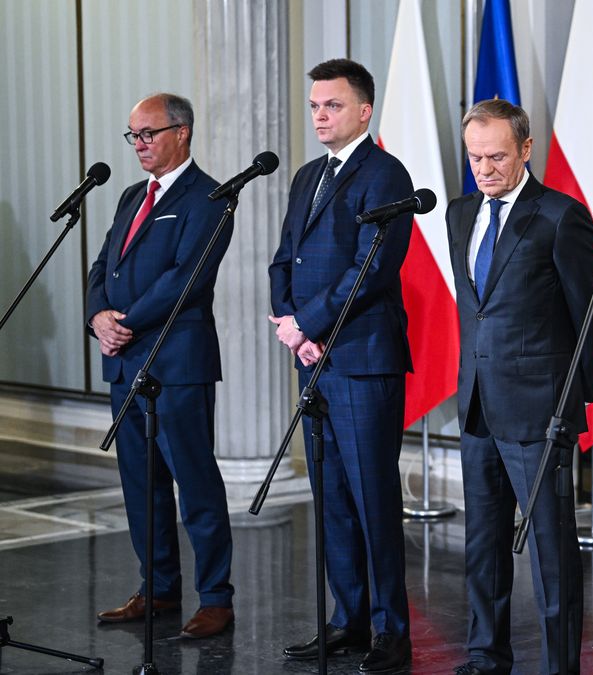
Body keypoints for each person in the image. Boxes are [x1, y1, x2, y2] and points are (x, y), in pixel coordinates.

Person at [446, 99, 593, 675]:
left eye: (496, 156)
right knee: (482, 542)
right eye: (475, 157)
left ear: (525, 149)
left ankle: (559, 665)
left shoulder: (560, 216)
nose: (484, 169)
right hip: (477, 404)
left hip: (541, 411)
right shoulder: (459, 213)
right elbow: (478, 309)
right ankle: (485, 656)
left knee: (551, 550)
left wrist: (573, 401)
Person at [268, 58, 414, 673]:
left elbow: (372, 267)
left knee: (372, 496)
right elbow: (285, 258)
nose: (320, 116)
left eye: (332, 105)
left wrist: (308, 324)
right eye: (314, 106)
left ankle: (391, 630)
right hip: (313, 358)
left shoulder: (386, 174)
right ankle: (347, 619)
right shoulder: (308, 175)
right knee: (331, 496)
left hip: (361, 359)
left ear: (364, 110)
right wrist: (290, 324)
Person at [87, 93, 236, 639]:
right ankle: (158, 588)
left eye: (148, 133)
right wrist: (97, 316)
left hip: (176, 363)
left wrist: (123, 320)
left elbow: (185, 278)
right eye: (133, 135)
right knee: (141, 485)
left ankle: (216, 598)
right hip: (125, 362)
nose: (139, 144)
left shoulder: (210, 197)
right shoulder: (133, 195)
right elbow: (103, 264)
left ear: (182, 132)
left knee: (194, 483)